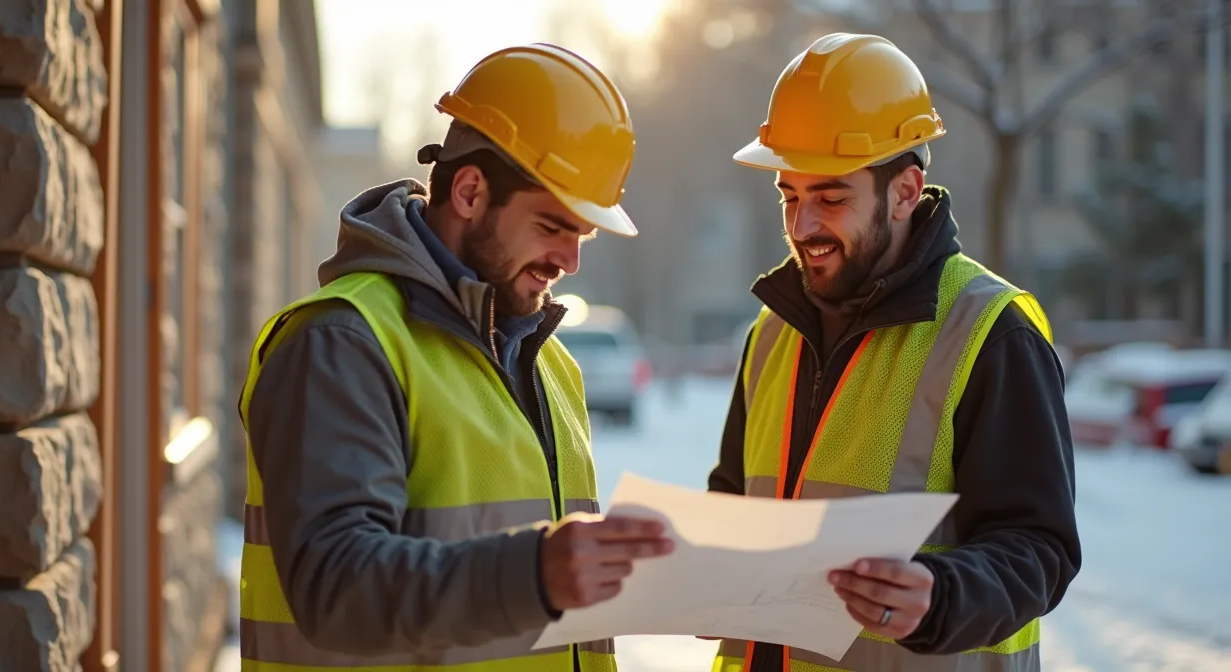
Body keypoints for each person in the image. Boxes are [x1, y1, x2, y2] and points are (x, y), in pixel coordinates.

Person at [236, 43, 673, 672]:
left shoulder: (552, 366)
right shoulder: (340, 343)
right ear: (469, 192)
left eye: (582, 236)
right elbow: (336, 588)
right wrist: (534, 576)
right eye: (553, 227)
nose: (570, 262)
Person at [706, 33, 1081, 671]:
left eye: (830, 198)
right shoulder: (771, 333)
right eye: (789, 197)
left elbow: (1039, 547)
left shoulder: (990, 331)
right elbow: (735, 499)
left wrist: (940, 598)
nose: (802, 227)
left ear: (905, 192)